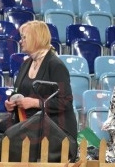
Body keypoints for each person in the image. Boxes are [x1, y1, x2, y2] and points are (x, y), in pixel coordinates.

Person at [4, 20, 78, 149]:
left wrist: (36, 103)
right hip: (32, 127)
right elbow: (19, 92)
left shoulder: (56, 65)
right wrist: (11, 102)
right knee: (2, 129)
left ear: (36, 38)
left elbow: (65, 101)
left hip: (54, 132)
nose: (20, 41)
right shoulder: (26, 63)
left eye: (24, 37)